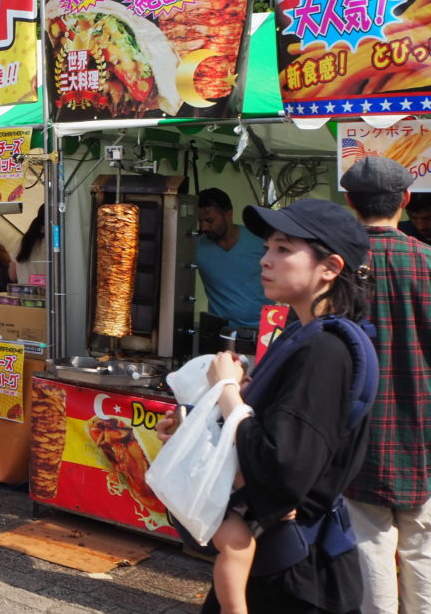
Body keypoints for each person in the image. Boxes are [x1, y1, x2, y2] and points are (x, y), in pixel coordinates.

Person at [159, 198, 377, 613]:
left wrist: (226, 390)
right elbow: (271, 429)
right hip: (277, 559)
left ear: (330, 267)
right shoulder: (303, 334)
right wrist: (198, 423)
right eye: (266, 248)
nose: (265, 260)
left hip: (295, 577)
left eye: (283, 249)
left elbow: (282, 468)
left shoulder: (325, 351)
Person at [340, 156, 431, 613]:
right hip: (425, 430)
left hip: (361, 431)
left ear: (349, 202)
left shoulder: (336, 266)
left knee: (370, 546)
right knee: (424, 548)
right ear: (406, 200)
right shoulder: (430, 262)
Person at [195, 188, 270, 331]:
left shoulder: (260, 241)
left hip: (262, 330)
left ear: (228, 214)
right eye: (200, 221)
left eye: (210, 221)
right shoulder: (196, 247)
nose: (203, 227)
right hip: (220, 332)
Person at [10, 204, 47, 285]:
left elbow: (13, 276)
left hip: (26, 294)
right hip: (49, 295)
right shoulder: (57, 241)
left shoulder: (21, 241)